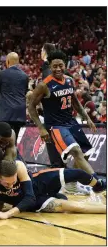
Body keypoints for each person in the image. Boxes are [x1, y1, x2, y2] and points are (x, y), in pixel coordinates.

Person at [28, 50, 105, 190]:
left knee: (86, 153)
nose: (58, 69)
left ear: (65, 65)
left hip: (71, 122)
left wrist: (87, 118)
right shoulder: (44, 85)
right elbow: (31, 107)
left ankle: (73, 184)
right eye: (54, 66)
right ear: (50, 67)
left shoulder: (69, 80)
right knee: (76, 151)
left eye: (60, 65)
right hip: (56, 126)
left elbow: (75, 101)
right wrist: (41, 127)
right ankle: (97, 183)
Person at [0, 159, 106, 219]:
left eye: (13, 182)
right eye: (6, 184)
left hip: (41, 183)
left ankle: (99, 188)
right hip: (36, 202)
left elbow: (29, 196)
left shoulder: (18, 166)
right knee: (75, 207)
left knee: (78, 173)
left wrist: (7, 214)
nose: (10, 186)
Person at [0, 52, 28, 144]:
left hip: (5, 112)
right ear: (18, 62)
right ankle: (14, 157)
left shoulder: (2, 74)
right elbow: (24, 93)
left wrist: (1, 100)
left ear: (7, 61)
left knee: (2, 141)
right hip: (19, 113)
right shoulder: (24, 76)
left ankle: (4, 158)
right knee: (14, 140)